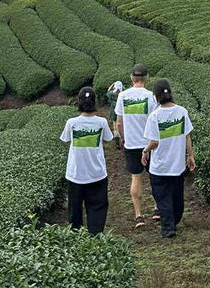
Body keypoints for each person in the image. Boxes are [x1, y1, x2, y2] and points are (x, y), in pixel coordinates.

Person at [142, 78, 194, 239]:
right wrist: (190, 155)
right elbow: (187, 136)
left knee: (162, 196)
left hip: (160, 165)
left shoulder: (155, 116)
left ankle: (168, 228)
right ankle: (174, 219)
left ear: (155, 96)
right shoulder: (182, 111)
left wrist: (145, 151)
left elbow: (154, 142)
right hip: (177, 163)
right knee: (177, 194)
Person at [59, 85, 114, 235]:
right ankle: (95, 234)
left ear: (79, 102)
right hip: (96, 172)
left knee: (75, 208)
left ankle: (76, 235)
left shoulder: (72, 123)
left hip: (76, 173)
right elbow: (109, 138)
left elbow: (65, 139)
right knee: (97, 206)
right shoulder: (101, 122)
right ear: (94, 102)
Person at [114, 64, 158, 230]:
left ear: (132, 78)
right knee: (155, 176)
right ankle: (157, 209)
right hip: (150, 143)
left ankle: (139, 215)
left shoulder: (123, 96)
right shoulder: (151, 96)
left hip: (132, 144)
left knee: (136, 177)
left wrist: (124, 138)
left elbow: (119, 122)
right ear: (146, 78)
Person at [105, 78, 125, 147]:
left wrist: (112, 85)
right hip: (122, 112)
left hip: (114, 112)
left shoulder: (111, 94)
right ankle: (122, 139)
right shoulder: (123, 94)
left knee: (115, 127)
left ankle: (117, 142)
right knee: (122, 126)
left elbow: (108, 92)